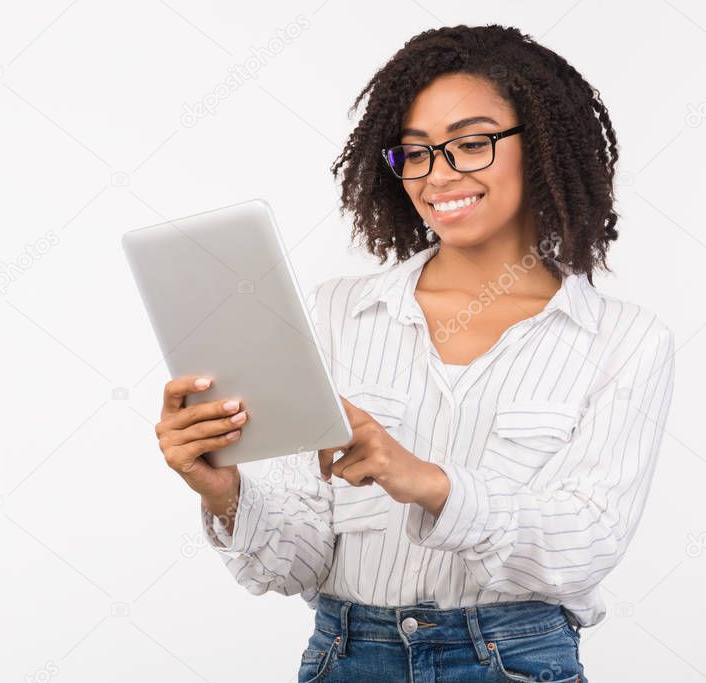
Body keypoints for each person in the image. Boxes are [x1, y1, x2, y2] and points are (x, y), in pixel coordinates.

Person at [154, 24, 676, 683]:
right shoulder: (338, 313)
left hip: (512, 661)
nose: (439, 175)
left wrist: (428, 482)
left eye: (471, 144)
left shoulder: (625, 340)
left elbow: (585, 544)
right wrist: (225, 492)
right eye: (417, 153)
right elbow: (299, 560)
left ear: (539, 144)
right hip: (348, 656)